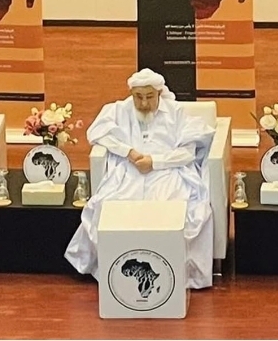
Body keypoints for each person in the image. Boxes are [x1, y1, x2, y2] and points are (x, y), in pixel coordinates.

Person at [65, 68, 216, 288]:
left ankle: (169, 270)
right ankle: (115, 268)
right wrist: (129, 152)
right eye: (138, 97)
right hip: (129, 171)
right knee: (110, 207)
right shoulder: (118, 110)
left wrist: (155, 161)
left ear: (159, 93)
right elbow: (96, 133)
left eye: (149, 97)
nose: (144, 104)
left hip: (169, 172)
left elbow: (187, 152)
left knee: (170, 210)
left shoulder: (176, 112)